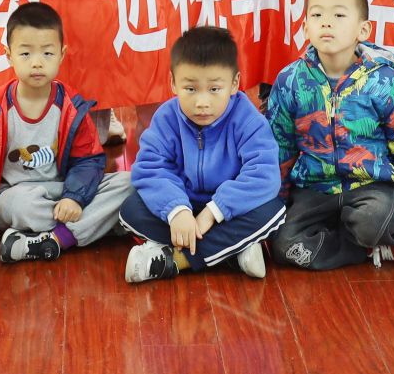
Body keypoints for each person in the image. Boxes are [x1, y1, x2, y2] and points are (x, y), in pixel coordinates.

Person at [267, 0, 394, 270]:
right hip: (314, 189)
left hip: (370, 187)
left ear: (362, 29)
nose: (326, 23)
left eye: (339, 15)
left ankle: (380, 234)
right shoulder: (290, 80)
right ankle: (367, 249)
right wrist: (277, 201)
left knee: (373, 222)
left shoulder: (383, 80)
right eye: (317, 15)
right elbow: (281, 145)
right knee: (284, 246)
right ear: (305, 27)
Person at [118, 24, 285, 283]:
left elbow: (264, 175)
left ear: (234, 84)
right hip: (183, 202)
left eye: (214, 89)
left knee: (273, 211)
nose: (202, 102)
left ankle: (176, 260)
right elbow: (150, 168)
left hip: (228, 211)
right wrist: (177, 210)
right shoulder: (166, 117)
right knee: (130, 210)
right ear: (173, 83)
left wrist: (214, 211)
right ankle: (232, 253)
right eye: (191, 89)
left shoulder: (249, 120)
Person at [0, 3, 131, 263]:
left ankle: (52, 239)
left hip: (63, 190)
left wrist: (74, 198)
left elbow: (88, 161)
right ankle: (89, 226)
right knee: (18, 207)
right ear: (9, 55)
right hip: (18, 196)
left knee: (129, 183)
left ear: (61, 54)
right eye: (25, 53)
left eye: (47, 53)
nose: (37, 63)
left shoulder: (71, 106)